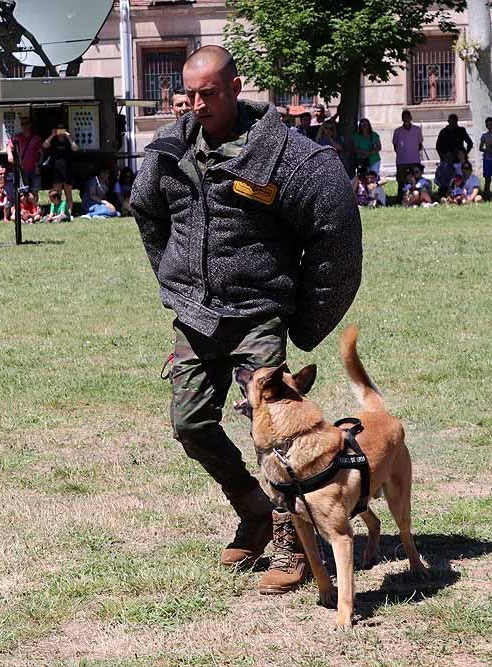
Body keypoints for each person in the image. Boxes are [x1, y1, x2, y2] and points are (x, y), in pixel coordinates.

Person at [130, 45, 361, 596]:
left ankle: (291, 546)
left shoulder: (288, 159)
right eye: (188, 95)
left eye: (208, 93)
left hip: (259, 312)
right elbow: (148, 211)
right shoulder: (167, 153)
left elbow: (335, 237)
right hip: (196, 316)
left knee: (275, 440)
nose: (197, 105)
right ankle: (254, 510)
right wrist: (176, 277)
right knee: (190, 424)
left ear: (235, 87)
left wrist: (306, 318)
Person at [43, 123, 78, 208]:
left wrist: (68, 137)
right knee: (57, 192)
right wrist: (52, 135)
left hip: (67, 169)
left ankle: (69, 212)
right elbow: (45, 145)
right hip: (56, 169)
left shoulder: (68, 140)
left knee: (68, 192)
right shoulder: (54, 140)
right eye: (59, 129)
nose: (61, 131)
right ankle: (58, 210)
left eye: (62, 129)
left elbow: (75, 148)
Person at [392, 110, 424, 200]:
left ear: (411, 118)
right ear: (402, 119)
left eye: (408, 117)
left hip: (414, 160)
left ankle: (417, 198)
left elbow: (420, 144)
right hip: (402, 161)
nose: (406, 119)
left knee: (416, 181)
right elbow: (395, 146)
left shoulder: (417, 130)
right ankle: (400, 199)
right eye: (404, 117)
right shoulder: (397, 131)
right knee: (401, 181)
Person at [7, 116, 43, 193]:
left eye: (27, 123)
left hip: (34, 168)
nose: (25, 126)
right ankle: (27, 205)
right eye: (23, 124)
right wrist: (9, 155)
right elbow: (9, 145)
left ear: (31, 125)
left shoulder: (36, 138)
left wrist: (38, 166)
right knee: (24, 192)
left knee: (35, 191)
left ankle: (34, 205)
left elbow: (41, 153)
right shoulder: (17, 137)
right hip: (23, 169)